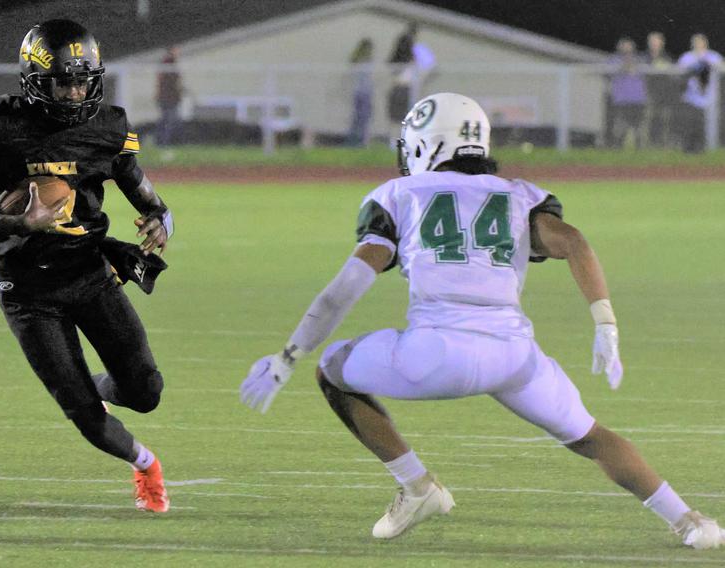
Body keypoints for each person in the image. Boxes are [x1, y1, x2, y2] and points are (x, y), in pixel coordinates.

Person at [240, 92, 725, 548]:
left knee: (332, 369)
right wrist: (605, 324)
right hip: (513, 356)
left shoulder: (400, 194)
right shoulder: (519, 194)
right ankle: (691, 522)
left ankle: (418, 486)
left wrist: (288, 355)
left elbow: (346, 286)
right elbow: (574, 241)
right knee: (591, 437)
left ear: (427, 146)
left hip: (434, 356)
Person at [0, 19, 174, 513]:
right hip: (24, 288)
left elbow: (151, 200)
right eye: (63, 81)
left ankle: (94, 388)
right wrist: (22, 223)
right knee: (86, 417)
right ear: (33, 78)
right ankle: (146, 465)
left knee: (146, 390)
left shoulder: (108, 126)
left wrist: (160, 223)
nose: (74, 92)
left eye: (82, 80)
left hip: (89, 273)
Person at [677, 34, 723, 153]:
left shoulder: (713, 56)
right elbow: (679, 72)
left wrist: (708, 63)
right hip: (690, 97)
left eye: (701, 42)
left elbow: (721, 66)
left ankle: (702, 148)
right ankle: (688, 148)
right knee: (689, 124)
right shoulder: (686, 57)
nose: (699, 45)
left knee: (702, 125)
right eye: (696, 43)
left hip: (708, 98)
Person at [607, 37, 647, 148]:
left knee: (638, 126)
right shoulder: (614, 60)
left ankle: (639, 150)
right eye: (624, 46)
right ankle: (617, 147)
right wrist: (626, 67)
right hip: (621, 101)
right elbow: (610, 72)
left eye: (629, 46)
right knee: (620, 125)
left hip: (638, 100)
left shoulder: (640, 60)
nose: (627, 48)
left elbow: (647, 73)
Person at [644, 32, 678, 147]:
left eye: (657, 41)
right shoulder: (645, 58)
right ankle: (647, 145)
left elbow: (673, 75)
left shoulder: (667, 58)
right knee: (648, 120)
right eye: (652, 42)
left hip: (664, 95)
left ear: (662, 43)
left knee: (665, 121)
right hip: (649, 94)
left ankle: (664, 145)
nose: (654, 44)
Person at [345, 38, 374, 147]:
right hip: (362, 93)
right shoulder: (361, 61)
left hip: (362, 92)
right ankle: (356, 141)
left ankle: (359, 140)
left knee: (362, 118)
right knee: (360, 118)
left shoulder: (361, 61)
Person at [155, 46, 183, 146]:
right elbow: (167, 82)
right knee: (168, 120)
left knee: (168, 120)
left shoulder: (171, 63)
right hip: (167, 98)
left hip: (170, 98)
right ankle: (163, 143)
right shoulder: (168, 63)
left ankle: (164, 142)